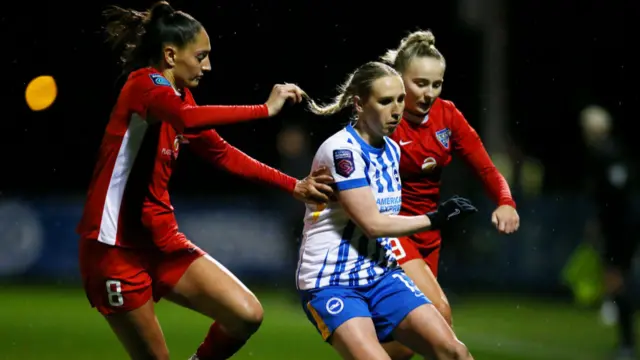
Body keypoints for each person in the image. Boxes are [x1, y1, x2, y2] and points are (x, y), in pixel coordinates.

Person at [77, 2, 334, 359]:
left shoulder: (180, 97)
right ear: (170, 55)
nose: (208, 66)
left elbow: (222, 153)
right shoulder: (143, 86)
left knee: (246, 314)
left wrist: (294, 186)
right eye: (201, 56)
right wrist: (264, 109)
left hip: (161, 240)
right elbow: (185, 118)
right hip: (114, 248)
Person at [298, 61, 477, 360]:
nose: (396, 110)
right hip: (332, 282)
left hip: (381, 274)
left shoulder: (392, 150)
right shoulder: (342, 151)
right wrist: (436, 218)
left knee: (454, 352)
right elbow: (373, 224)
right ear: (358, 104)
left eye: (399, 100)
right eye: (384, 101)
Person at [378, 30, 520, 359]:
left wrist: (506, 202)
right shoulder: (382, 118)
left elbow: (486, 168)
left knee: (411, 342)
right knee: (440, 317)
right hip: (393, 232)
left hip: (429, 234)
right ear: (399, 79)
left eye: (436, 84)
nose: (429, 93)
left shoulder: (448, 115)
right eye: (420, 83)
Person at [580, 105, 637, 359]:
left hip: (621, 227)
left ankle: (627, 343)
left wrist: (603, 225)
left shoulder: (607, 153)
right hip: (622, 225)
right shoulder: (611, 151)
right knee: (616, 279)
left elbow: (616, 195)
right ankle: (625, 339)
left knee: (617, 280)